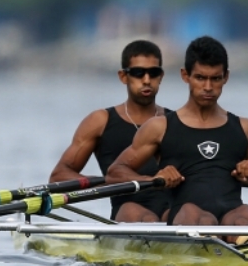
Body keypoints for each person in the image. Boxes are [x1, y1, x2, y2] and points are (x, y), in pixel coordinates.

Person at [105, 36, 248, 233]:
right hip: (187, 218)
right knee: (194, 214)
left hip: (233, 219)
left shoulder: (245, 128)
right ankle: (226, 244)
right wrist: (153, 180)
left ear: (226, 77)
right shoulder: (160, 127)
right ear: (185, 75)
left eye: (215, 78)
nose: (208, 87)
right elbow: (114, 172)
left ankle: (246, 245)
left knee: (244, 213)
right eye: (200, 78)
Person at [49, 39, 170, 222]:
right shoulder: (100, 121)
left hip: (171, 211)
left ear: (161, 76)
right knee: (138, 214)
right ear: (123, 76)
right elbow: (58, 176)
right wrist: (111, 181)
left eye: (153, 73)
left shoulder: (175, 121)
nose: (146, 80)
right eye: (138, 73)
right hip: (128, 212)